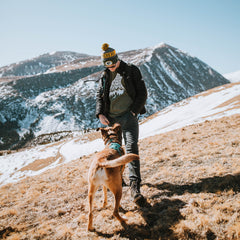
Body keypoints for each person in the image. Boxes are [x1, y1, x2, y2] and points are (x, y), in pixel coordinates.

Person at [95, 43, 148, 206]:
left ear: (117, 60)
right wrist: (100, 113)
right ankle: (119, 178)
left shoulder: (131, 70)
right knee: (114, 151)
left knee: (132, 148)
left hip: (129, 117)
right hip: (112, 120)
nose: (110, 68)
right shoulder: (104, 76)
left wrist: (133, 111)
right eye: (107, 65)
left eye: (112, 64)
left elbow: (142, 93)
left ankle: (135, 188)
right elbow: (99, 96)